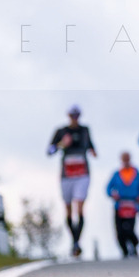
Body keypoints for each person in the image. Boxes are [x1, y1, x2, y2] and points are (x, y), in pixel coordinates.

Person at [46, 105, 98, 258]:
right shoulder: (61, 132)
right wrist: (62, 144)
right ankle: (74, 240)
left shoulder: (85, 131)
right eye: (72, 115)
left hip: (82, 174)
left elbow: (93, 148)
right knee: (68, 208)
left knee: (80, 207)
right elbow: (49, 151)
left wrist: (93, 151)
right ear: (68, 116)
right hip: (67, 175)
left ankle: (76, 243)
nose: (75, 118)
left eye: (77, 115)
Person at [106, 151, 139, 258]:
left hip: (132, 205)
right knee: (119, 230)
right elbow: (108, 188)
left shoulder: (136, 173)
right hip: (119, 205)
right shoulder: (117, 174)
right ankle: (124, 251)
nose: (126, 161)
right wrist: (112, 194)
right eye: (124, 159)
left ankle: (135, 244)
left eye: (127, 159)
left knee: (129, 229)